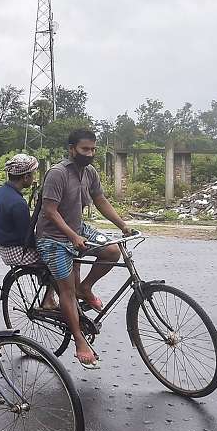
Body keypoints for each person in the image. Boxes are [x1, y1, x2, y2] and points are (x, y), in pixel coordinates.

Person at [34, 129, 133, 368]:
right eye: (84, 149)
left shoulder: (89, 172)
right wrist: (72, 236)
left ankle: (85, 287)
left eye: (93, 149)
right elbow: (50, 211)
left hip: (79, 228)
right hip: (53, 237)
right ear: (71, 149)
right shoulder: (58, 174)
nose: (90, 154)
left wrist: (122, 225)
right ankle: (79, 340)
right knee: (66, 291)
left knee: (112, 251)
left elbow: (100, 200)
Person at [0, 153, 57, 309]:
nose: (33, 177)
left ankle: (47, 289)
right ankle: (49, 300)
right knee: (60, 259)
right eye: (32, 174)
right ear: (25, 177)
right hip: (17, 251)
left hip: (4, 248)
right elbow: (26, 238)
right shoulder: (18, 203)